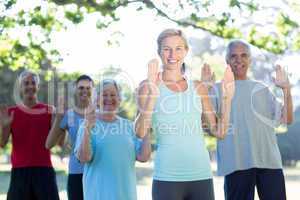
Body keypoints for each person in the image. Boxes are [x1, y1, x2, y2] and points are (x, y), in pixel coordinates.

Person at [134, 28, 235, 200]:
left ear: (186, 51)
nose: (173, 54)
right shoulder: (147, 85)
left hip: (201, 175)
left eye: (178, 48)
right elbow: (140, 132)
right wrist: (152, 90)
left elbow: (219, 132)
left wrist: (227, 99)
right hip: (167, 176)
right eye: (167, 49)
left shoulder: (198, 87)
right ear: (159, 52)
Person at [207, 39, 293, 200]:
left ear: (250, 60)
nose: (239, 60)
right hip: (236, 164)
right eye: (233, 56)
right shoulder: (216, 90)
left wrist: (286, 90)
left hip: (269, 163)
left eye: (244, 55)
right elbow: (208, 127)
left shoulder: (262, 89)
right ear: (227, 60)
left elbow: (287, 119)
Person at [75, 79, 151, 200]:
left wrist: (145, 122)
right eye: (104, 95)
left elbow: (143, 156)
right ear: (96, 100)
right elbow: (84, 158)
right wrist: (87, 127)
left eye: (113, 94)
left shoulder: (129, 126)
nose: (109, 98)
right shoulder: (87, 124)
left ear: (120, 99)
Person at [0, 70, 60, 200]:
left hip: (44, 171)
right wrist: (5, 126)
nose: (30, 86)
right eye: (26, 83)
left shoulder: (50, 111)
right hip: (19, 173)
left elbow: (58, 143)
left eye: (33, 83)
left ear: (38, 87)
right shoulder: (11, 113)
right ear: (20, 87)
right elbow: (2, 143)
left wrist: (58, 120)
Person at [45, 75, 94, 200]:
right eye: (81, 88)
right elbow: (49, 144)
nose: (85, 91)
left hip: (97, 173)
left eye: (88, 88)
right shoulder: (69, 115)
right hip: (76, 174)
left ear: (93, 90)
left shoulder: (101, 114)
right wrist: (59, 117)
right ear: (75, 90)